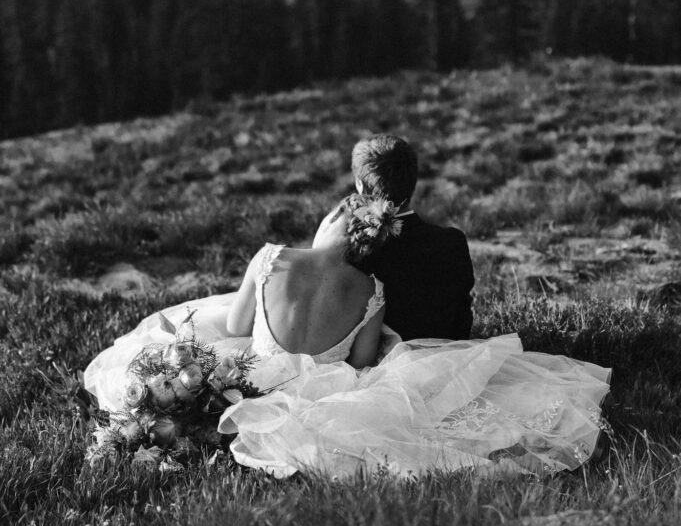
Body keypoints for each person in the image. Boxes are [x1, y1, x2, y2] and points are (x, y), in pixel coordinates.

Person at [84, 194, 611, 480]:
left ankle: (149, 437)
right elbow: (361, 367)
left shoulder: (270, 258)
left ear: (333, 218)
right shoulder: (371, 290)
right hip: (315, 390)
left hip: (250, 372)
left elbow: (241, 327)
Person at [350, 134, 474, 341]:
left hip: (384, 367)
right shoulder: (453, 242)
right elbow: (462, 318)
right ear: (413, 183)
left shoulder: (360, 252)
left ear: (360, 186)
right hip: (451, 360)